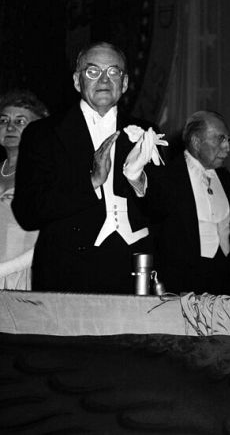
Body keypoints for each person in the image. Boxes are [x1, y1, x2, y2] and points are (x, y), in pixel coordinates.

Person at [12, 42, 159, 293]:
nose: (104, 79)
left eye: (114, 72)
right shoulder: (43, 134)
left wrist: (138, 180)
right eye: (93, 71)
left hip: (135, 268)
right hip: (68, 271)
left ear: (124, 84)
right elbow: (28, 212)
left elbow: (164, 210)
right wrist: (90, 182)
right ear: (77, 81)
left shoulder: (146, 132)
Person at [145, 111, 230, 296]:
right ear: (195, 142)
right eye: (220, 139)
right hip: (182, 288)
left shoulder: (225, 177)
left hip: (224, 286)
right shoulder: (167, 177)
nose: (227, 147)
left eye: (228, 139)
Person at [0, 91, 49, 289]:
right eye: (3, 120)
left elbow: (48, 234)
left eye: (20, 122)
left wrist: (4, 270)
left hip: (22, 276)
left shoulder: (45, 173)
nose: (9, 127)